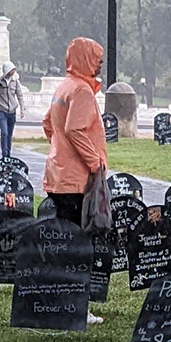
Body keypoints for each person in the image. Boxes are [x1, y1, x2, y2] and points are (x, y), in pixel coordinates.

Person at [41, 36, 107, 225]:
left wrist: (59, 147)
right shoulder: (82, 91)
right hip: (76, 179)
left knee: (63, 233)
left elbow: (47, 122)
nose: (100, 64)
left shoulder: (64, 86)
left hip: (57, 175)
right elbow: (75, 129)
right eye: (97, 60)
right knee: (76, 234)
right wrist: (95, 164)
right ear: (85, 60)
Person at [0, 58, 24, 165]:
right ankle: (4, 154)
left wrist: (22, 108)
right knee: (4, 132)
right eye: (12, 70)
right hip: (2, 111)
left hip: (12, 111)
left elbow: (19, 95)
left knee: (10, 134)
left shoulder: (15, 82)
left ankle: (9, 154)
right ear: (7, 71)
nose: (13, 72)